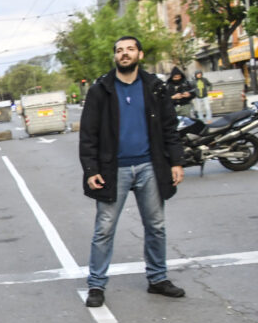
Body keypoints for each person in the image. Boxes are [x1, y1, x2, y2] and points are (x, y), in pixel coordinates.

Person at [79, 36, 187, 308]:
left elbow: (169, 127)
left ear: (139, 53)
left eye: (129, 50)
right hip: (113, 170)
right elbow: (88, 134)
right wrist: (91, 169)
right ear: (114, 56)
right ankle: (96, 284)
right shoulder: (101, 90)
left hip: (150, 166)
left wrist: (176, 161)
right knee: (104, 228)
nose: (124, 54)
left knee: (156, 226)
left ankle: (158, 279)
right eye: (119, 51)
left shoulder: (155, 87)